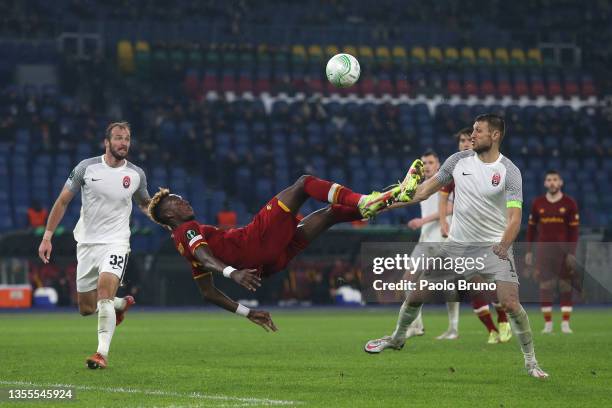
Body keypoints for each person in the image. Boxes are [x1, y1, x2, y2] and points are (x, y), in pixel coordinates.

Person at [364, 114, 549, 378]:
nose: (472, 135)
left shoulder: (509, 171)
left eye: (478, 131)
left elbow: (514, 219)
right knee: (416, 294)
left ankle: (531, 362)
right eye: (472, 130)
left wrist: (504, 244)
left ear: (495, 135)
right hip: (457, 247)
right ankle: (397, 338)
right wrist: (383, 204)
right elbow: (423, 191)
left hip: (494, 247)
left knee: (510, 304)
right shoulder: (457, 161)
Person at [146, 167, 422, 329]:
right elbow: (206, 259)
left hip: (269, 263)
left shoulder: (182, 244)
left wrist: (248, 312)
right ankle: (365, 200)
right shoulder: (187, 230)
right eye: (175, 202)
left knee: (329, 214)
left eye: (180, 198)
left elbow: (208, 292)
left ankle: (391, 198)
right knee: (304, 184)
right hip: (255, 243)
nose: (183, 202)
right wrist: (233, 274)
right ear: (168, 216)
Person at [37, 122, 151, 369]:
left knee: (103, 294)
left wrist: (165, 218)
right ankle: (121, 305)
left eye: (127, 139)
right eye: (119, 138)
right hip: (87, 243)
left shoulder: (136, 174)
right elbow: (63, 201)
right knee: (87, 308)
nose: (124, 143)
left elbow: (145, 204)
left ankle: (101, 353)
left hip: (117, 242)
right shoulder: (85, 168)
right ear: (107, 142)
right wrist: (47, 237)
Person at [438, 127, 511, 344]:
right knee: (473, 284)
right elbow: (443, 198)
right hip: (464, 237)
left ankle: (504, 320)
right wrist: (444, 223)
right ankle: (491, 330)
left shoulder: (493, 167)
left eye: (468, 140)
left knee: (492, 283)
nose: (464, 144)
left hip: (489, 234)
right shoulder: (456, 169)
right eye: (461, 141)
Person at [401, 150, 460, 340]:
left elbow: (451, 207)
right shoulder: (421, 185)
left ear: (438, 164)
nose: (426, 166)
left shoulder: (444, 182)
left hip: (444, 239)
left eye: (430, 162)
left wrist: (422, 220)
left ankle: (453, 328)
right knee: (407, 280)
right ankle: (417, 326)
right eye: (423, 162)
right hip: (425, 241)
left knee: (448, 287)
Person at [525, 170, 579, 334]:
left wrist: (572, 253)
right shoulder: (538, 203)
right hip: (544, 251)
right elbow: (531, 229)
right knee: (545, 285)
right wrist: (528, 251)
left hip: (563, 252)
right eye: (549, 180)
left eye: (555, 179)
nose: (552, 183)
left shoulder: (570, 203)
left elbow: (574, 232)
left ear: (560, 182)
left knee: (565, 286)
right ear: (545, 183)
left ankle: (565, 324)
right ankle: (548, 324)